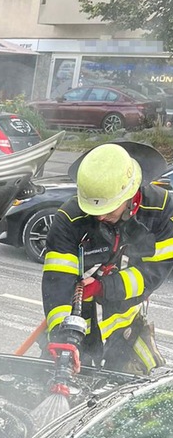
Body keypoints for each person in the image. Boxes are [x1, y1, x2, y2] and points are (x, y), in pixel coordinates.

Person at [41, 142, 173, 374]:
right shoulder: (69, 220)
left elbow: (153, 272)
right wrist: (62, 336)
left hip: (126, 326)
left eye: (109, 209)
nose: (100, 216)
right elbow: (57, 282)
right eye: (94, 210)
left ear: (131, 193)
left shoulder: (162, 210)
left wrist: (104, 287)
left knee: (142, 392)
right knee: (56, 383)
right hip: (78, 324)